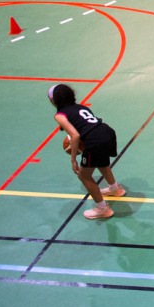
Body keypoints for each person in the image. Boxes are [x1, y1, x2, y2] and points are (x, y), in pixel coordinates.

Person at [49, 83, 124, 220]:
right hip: (107, 132)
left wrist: (73, 160)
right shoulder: (81, 107)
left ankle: (102, 209)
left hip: (95, 141)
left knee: (84, 175)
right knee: (101, 162)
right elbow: (84, 124)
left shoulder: (59, 115)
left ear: (54, 101)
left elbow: (75, 136)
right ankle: (115, 188)